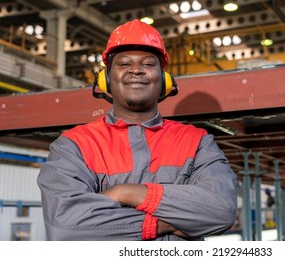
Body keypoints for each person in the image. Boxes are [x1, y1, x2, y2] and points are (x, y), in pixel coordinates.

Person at [37, 19, 238, 241]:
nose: (136, 70)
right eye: (124, 64)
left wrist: (126, 193)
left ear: (163, 81)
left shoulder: (197, 141)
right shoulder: (74, 145)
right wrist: (162, 224)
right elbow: (65, 226)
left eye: (148, 64)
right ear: (106, 81)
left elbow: (221, 211)